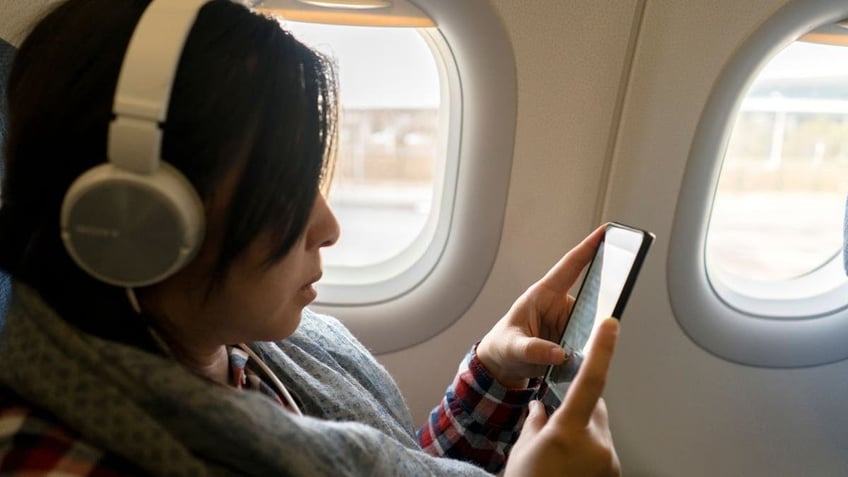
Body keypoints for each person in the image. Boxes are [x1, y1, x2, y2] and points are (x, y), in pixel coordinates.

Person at [0, 0, 621, 475]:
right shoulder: (52, 454)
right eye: (283, 192)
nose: (328, 227)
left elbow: (397, 462)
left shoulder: (239, 349)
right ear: (144, 222)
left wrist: (491, 376)